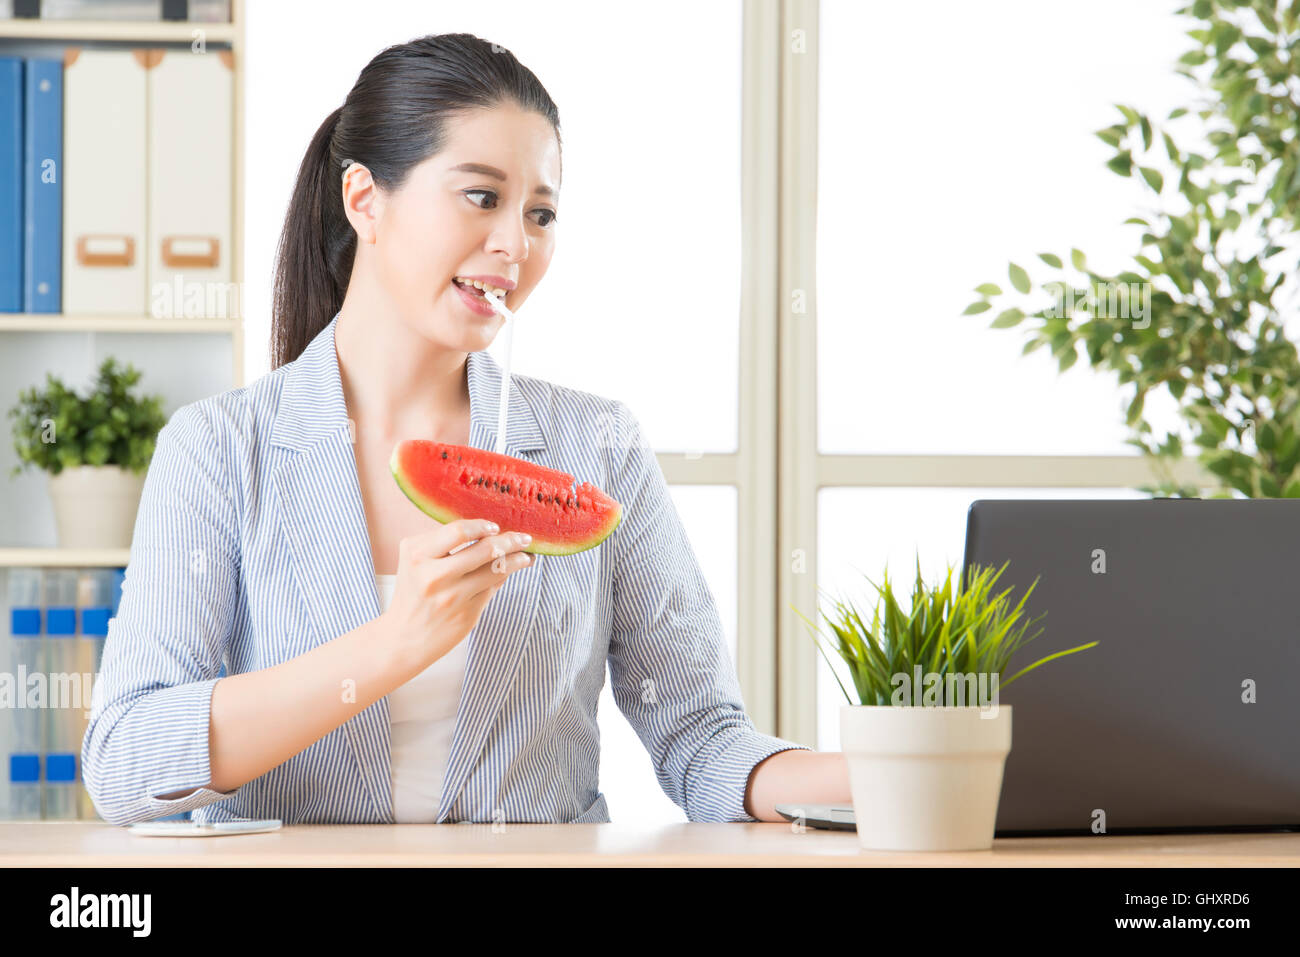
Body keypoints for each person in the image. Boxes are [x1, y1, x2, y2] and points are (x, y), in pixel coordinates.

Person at [82, 33, 849, 827]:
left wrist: (895, 773)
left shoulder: (601, 447)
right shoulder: (216, 449)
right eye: (481, 196)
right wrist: (394, 644)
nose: (516, 245)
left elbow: (704, 738)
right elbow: (127, 760)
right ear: (364, 199)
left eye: (541, 213)